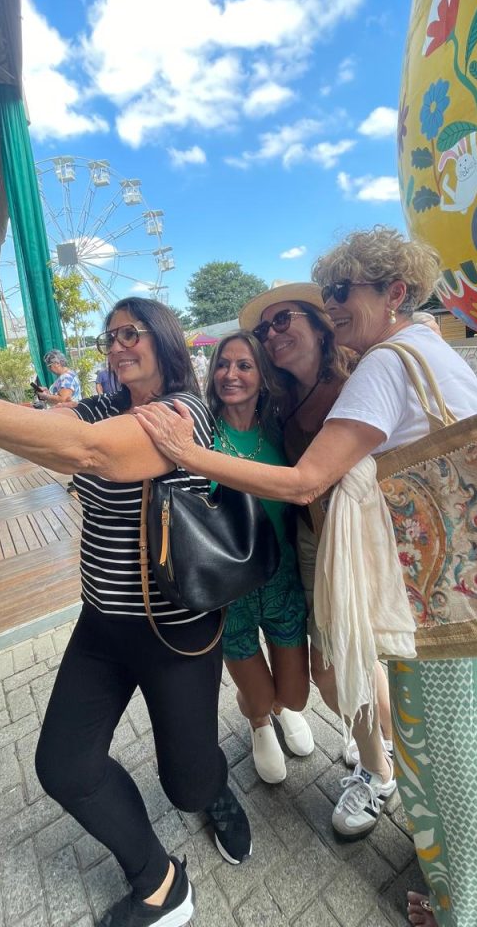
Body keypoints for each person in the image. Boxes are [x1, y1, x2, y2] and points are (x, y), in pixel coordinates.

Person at [134, 227, 477, 927]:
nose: (329, 306)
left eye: (338, 292)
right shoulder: (431, 351)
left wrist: (187, 454)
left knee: (451, 753)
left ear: (394, 292)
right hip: (471, 576)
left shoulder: (381, 365)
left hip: (425, 588)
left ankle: (474, 909)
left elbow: (305, 481)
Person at [0, 296, 252, 927]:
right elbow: (33, 425)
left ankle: (213, 787)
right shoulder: (101, 406)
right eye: (109, 336)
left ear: (165, 338)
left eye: (132, 332)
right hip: (102, 622)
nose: (117, 345)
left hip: (176, 631)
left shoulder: (185, 413)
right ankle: (160, 882)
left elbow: (91, 452)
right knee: (65, 768)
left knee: (188, 786)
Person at [237, 283, 394, 813]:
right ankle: (381, 752)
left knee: (338, 666)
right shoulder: (280, 397)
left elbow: (308, 481)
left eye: (283, 320)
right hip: (311, 541)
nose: (272, 334)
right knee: (338, 665)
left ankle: (382, 767)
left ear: (318, 323)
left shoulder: (358, 379)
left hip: (360, 540)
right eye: (265, 328)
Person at [206, 331, 312, 783]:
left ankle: (278, 709)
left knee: (296, 695)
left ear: (263, 377)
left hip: (282, 578)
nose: (230, 374)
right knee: (260, 697)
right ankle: (259, 721)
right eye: (223, 364)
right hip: (228, 588)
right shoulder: (200, 431)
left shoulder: (279, 429)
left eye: (244, 365)